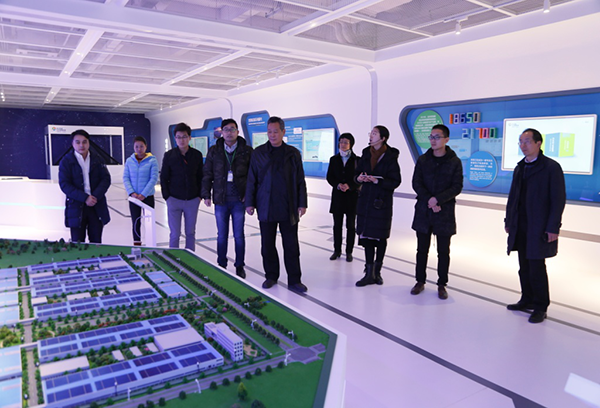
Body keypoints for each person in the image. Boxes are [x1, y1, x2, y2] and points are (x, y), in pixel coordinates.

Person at [505, 128, 566, 324]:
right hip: (520, 225)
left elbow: (558, 200)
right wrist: (509, 221)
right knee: (523, 266)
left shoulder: (551, 167)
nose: (523, 146)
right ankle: (527, 299)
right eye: (520, 142)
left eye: (527, 141)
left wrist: (553, 227)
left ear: (538, 143)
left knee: (537, 267)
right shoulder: (520, 167)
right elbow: (513, 197)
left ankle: (540, 306)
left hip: (539, 226)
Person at [245, 116, 308, 293]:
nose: (272, 135)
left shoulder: (293, 153)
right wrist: (249, 203)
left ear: (283, 132)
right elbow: (251, 180)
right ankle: (271, 276)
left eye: (275, 131)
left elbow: (300, 181)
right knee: (267, 245)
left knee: (291, 245)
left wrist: (302, 203)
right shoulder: (258, 153)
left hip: (288, 206)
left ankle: (294, 280)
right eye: (269, 132)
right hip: (266, 205)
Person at [410, 124, 463, 299]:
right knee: (421, 250)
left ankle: (442, 284)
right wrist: (430, 200)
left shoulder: (454, 162)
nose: (433, 140)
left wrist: (438, 200)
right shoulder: (423, 160)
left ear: (446, 139)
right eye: (431, 137)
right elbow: (416, 183)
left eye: (437, 137)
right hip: (424, 211)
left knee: (443, 252)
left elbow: (457, 186)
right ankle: (420, 281)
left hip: (444, 212)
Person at [202, 119, 253, 278]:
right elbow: (207, 173)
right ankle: (221, 264)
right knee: (221, 235)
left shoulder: (247, 151)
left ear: (238, 131)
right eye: (226, 129)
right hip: (221, 199)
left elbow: (253, 176)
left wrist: (250, 197)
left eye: (232, 129)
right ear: (221, 132)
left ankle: (239, 265)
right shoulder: (214, 151)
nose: (229, 132)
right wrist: (206, 194)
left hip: (239, 200)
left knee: (239, 235)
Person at [355, 125, 401, 287]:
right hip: (366, 201)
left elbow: (395, 181)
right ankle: (369, 273)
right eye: (371, 133)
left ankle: (377, 272)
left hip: (381, 203)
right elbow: (356, 174)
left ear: (383, 138)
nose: (371, 136)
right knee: (367, 237)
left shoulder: (390, 156)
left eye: (374, 134)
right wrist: (359, 179)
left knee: (380, 238)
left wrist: (377, 181)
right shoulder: (366, 153)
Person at [58, 129, 111, 243]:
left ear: (88, 143)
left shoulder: (97, 159)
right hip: (76, 207)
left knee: (96, 242)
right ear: (72, 144)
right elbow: (64, 184)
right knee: (78, 243)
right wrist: (85, 198)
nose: (81, 145)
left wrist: (94, 197)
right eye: (78, 142)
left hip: (96, 205)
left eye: (84, 142)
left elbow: (106, 179)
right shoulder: (66, 161)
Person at [160, 122, 203, 251]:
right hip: (174, 199)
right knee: (174, 234)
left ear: (189, 137)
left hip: (192, 200)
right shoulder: (169, 155)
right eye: (178, 137)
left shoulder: (196, 155)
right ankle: (173, 258)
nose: (181, 140)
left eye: (184, 136)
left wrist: (199, 196)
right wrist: (167, 197)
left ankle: (190, 258)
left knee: (190, 233)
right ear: (175, 138)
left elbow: (201, 176)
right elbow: (164, 177)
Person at [326, 133, 360, 262]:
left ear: (351, 144)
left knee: (351, 226)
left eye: (346, 142)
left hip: (352, 197)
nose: (343, 144)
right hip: (338, 197)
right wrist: (338, 184)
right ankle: (337, 250)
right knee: (337, 225)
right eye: (341, 142)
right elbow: (330, 177)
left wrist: (349, 185)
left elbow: (359, 178)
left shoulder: (357, 160)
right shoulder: (334, 159)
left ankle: (349, 252)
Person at [123, 136, 159, 246]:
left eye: (141, 146)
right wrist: (132, 192)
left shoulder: (152, 160)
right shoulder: (129, 161)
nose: (139, 149)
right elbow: (126, 177)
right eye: (136, 146)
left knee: (149, 222)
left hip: (147, 197)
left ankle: (150, 244)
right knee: (135, 221)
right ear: (133, 147)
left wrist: (144, 194)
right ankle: (137, 244)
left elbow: (153, 178)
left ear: (146, 147)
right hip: (134, 198)